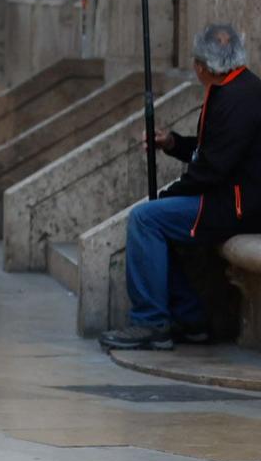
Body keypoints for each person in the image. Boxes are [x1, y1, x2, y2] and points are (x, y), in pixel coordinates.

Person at [101, 25, 261, 350]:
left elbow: (211, 170)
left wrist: (170, 195)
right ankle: (190, 319)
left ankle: (151, 322)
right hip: (230, 198)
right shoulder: (237, 86)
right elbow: (210, 153)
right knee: (159, 220)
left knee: (147, 219)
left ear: (201, 67)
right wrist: (172, 143)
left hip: (236, 207)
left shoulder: (236, 99)